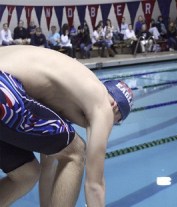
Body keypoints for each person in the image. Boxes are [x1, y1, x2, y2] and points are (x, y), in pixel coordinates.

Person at [0, 45, 134, 207]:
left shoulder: (68, 91)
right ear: (115, 108)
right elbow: (94, 186)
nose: (109, 125)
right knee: (76, 153)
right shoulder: (103, 104)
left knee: (27, 175)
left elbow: (48, 164)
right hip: (4, 84)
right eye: (116, 121)